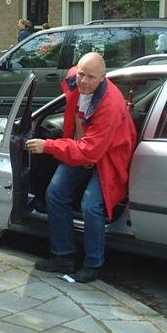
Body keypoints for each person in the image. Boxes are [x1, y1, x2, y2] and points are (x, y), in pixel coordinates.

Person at [26, 52, 137, 283]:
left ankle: (93, 264)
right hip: (83, 147)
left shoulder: (110, 105)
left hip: (107, 155)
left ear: (103, 78)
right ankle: (63, 256)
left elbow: (90, 152)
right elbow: (72, 86)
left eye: (91, 77)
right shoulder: (77, 81)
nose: (83, 81)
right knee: (55, 194)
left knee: (91, 205)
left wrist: (49, 146)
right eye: (81, 74)